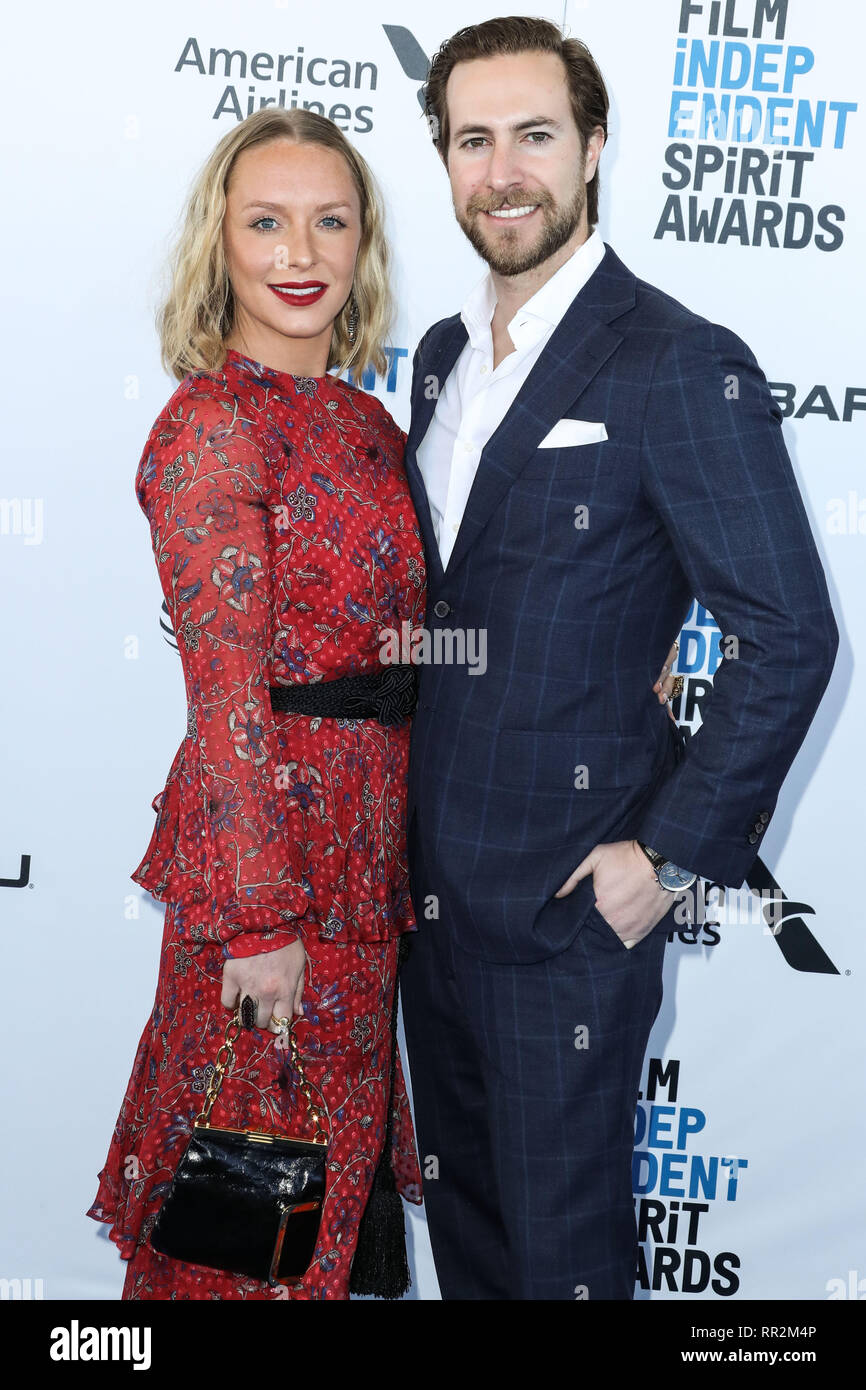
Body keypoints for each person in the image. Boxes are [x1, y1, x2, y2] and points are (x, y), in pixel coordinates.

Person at [399, 16, 839, 1300]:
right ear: (444, 159)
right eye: (472, 141)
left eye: (534, 135)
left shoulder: (674, 359)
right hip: (425, 910)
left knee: (563, 1273)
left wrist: (662, 858)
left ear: (592, 148)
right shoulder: (436, 359)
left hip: (566, 920)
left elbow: (790, 635)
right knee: (474, 1261)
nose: (504, 171)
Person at [86, 107, 426, 1300]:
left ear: (362, 243)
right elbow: (226, 693)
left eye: (329, 221)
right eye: (266, 222)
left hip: (364, 871)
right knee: (243, 1226)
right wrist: (261, 921)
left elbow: (404, 646)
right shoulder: (210, 427)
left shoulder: (368, 425)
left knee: (316, 1229)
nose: (300, 253)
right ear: (219, 245)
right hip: (269, 883)